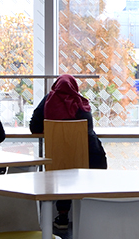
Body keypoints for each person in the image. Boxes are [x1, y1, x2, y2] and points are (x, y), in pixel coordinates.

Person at [29, 74, 108, 229]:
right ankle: (92, 212)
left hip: (57, 159)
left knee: (63, 171)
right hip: (86, 158)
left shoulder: (48, 100)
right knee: (98, 160)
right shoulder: (81, 102)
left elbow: (34, 128)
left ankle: (62, 216)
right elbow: (88, 130)